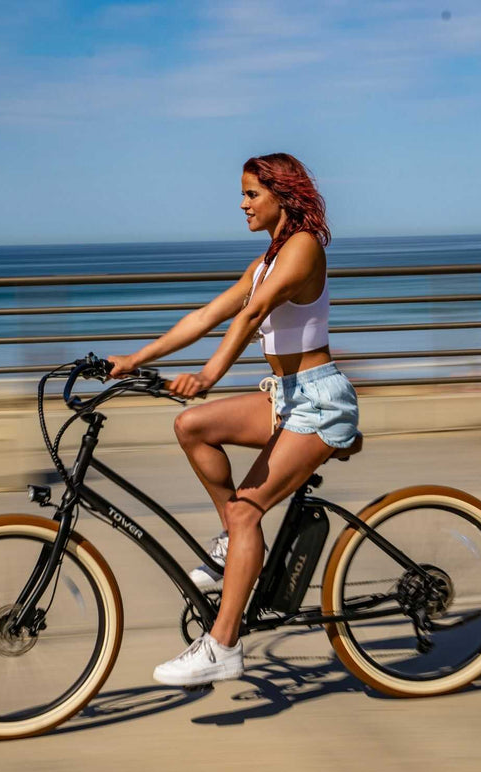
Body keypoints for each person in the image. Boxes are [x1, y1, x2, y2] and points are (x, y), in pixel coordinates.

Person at [107, 153, 359, 686]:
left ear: (283, 196)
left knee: (247, 512)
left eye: (251, 194)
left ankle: (223, 645)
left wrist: (209, 373)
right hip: (286, 396)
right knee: (192, 426)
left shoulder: (302, 250)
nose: (241, 204)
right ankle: (234, 547)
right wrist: (134, 359)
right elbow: (208, 315)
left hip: (319, 401)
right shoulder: (265, 260)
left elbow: (252, 315)